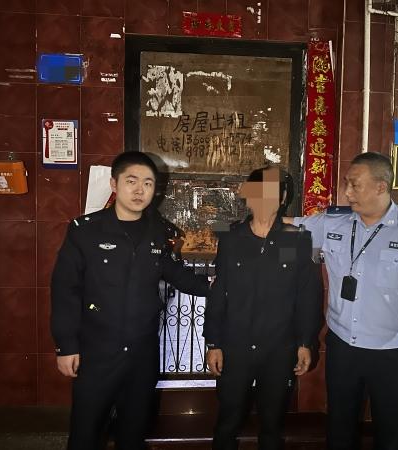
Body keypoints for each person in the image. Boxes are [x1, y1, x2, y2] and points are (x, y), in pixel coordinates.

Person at [285, 152, 398, 450]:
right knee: (339, 428)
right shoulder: (333, 223)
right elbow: (288, 227)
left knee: (391, 432)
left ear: (380, 186)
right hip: (342, 346)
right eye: (346, 184)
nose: (347, 192)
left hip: (391, 352)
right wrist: (239, 225)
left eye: (355, 185)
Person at [51, 151, 210, 450]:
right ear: (114, 184)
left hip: (141, 354)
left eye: (148, 183)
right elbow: (65, 289)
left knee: (133, 433)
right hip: (97, 352)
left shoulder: (158, 232)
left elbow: (178, 275)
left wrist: (224, 286)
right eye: (132, 181)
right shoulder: (85, 231)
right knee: (85, 433)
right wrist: (66, 345)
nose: (140, 190)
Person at [203, 166, 323, 450]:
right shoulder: (231, 239)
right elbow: (218, 293)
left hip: (279, 349)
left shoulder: (297, 240)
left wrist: (305, 342)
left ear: (282, 199)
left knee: (272, 425)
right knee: (227, 421)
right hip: (235, 347)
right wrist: (213, 343)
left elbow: (308, 294)